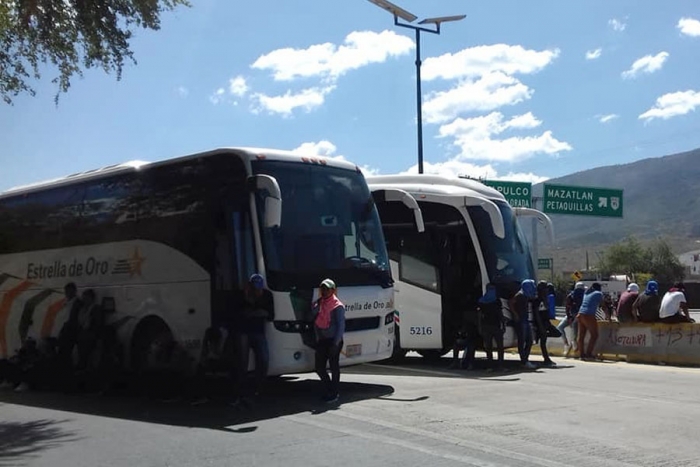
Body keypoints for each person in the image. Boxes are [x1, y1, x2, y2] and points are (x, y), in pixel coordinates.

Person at [234, 273, 274, 401]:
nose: (257, 291)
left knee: (263, 359)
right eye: (255, 287)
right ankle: (240, 389)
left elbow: (270, 315)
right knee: (242, 361)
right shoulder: (242, 296)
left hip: (258, 331)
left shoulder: (267, 296)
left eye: (259, 288)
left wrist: (258, 312)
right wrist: (248, 300)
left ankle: (259, 387)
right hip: (243, 331)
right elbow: (240, 314)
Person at [313, 278, 346, 403]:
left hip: (333, 340)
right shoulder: (319, 303)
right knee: (319, 367)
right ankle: (329, 389)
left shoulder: (337, 306)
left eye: (327, 289)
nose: (324, 291)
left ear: (333, 290)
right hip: (322, 339)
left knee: (334, 367)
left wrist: (336, 343)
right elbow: (314, 317)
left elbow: (340, 326)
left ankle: (334, 393)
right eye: (323, 289)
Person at [477, 283, 505, 372]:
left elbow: (479, 315)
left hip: (485, 326)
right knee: (500, 347)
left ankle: (490, 366)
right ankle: (500, 366)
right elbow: (500, 314)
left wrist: (480, 326)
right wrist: (503, 325)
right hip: (496, 326)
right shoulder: (497, 301)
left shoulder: (481, 301)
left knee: (488, 347)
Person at [509, 279, 537, 370]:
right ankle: (524, 361)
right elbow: (511, 303)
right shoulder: (519, 295)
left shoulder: (525, 295)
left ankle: (525, 359)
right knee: (522, 340)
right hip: (520, 320)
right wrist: (515, 314)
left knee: (529, 340)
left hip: (526, 319)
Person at [577, 282, 603, 360]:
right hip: (588, 315)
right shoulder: (599, 293)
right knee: (594, 335)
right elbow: (603, 305)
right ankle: (588, 354)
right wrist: (608, 317)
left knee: (581, 336)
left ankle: (581, 355)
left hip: (580, 314)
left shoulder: (587, 293)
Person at [533, 281, 557, 367]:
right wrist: (541, 326)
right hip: (540, 323)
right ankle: (546, 359)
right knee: (542, 342)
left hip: (545, 322)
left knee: (557, 333)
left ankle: (546, 359)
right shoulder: (538, 300)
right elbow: (537, 314)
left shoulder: (544, 298)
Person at [558, 282, 584, 357]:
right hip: (579, 316)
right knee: (574, 332)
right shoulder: (584, 295)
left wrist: (569, 317)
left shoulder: (570, 295)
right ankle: (573, 345)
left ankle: (566, 344)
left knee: (560, 327)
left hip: (571, 316)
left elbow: (567, 307)